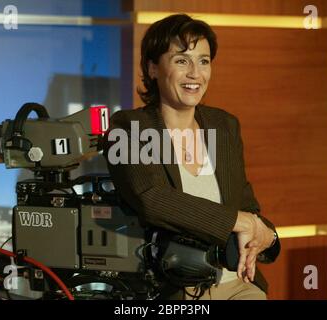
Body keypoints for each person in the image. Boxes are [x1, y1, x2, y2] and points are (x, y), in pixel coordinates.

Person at [103, 13, 280, 300]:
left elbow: (248, 208)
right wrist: (237, 221)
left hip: (237, 284)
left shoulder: (224, 126)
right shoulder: (131, 127)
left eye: (204, 60)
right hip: (173, 291)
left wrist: (268, 236)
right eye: (181, 60)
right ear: (153, 69)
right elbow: (152, 199)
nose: (195, 73)